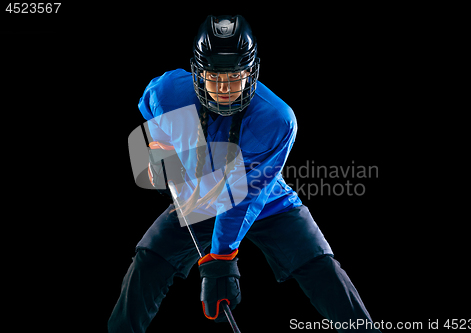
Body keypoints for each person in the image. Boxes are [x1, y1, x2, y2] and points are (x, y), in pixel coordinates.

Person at [109, 14, 381, 332]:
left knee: (320, 267)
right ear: (198, 73)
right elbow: (149, 105)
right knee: (147, 263)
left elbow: (244, 196)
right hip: (199, 197)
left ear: (251, 72)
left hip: (264, 201)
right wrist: (158, 147)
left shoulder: (277, 120)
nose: (225, 89)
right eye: (214, 77)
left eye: (235, 76)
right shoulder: (169, 91)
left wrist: (221, 260)